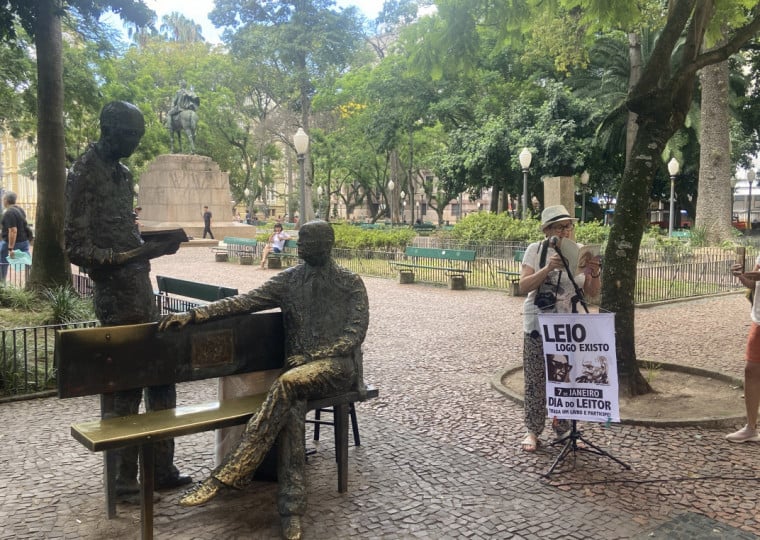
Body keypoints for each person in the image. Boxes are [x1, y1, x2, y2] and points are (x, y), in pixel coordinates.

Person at [159, 220, 369, 540]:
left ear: (327, 244)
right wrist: (194, 315)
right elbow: (243, 302)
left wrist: (314, 357)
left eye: (308, 242)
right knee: (292, 405)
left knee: (288, 384)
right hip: (296, 378)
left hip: (338, 369)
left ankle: (232, 470)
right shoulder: (290, 281)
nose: (301, 246)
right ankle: (291, 510)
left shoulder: (350, 283)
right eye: (301, 241)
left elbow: (354, 335)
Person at [64, 101, 191, 499]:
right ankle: (124, 480)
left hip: (141, 288)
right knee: (125, 387)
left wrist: (151, 246)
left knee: (162, 379)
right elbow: (76, 248)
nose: (135, 144)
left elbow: (123, 231)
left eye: (138, 136)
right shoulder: (85, 172)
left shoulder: (121, 173)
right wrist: (135, 255)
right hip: (115, 296)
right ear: (108, 128)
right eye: (129, 136)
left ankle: (161, 466)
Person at [518, 205, 601, 452]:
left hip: (567, 327)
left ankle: (563, 428)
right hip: (538, 324)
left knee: (565, 377)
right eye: (559, 227)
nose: (565, 231)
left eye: (568, 226)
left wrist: (594, 272)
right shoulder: (536, 250)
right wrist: (548, 268)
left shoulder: (579, 253)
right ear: (547, 231)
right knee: (536, 378)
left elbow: (593, 292)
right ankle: (532, 430)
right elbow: (524, 286)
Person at [727, 258, 760, 442]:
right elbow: (753, 284)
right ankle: (751, 428)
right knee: (751, 371)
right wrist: (741, 275)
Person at [1, 191, 32, 281]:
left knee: (2, 261)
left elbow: (13, 231)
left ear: (6, 200)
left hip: (12, 242)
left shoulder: (9, 213)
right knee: (27, 261)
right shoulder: (20, 209)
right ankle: (30, 280)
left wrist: (10, 249)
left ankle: (2, 282)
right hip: (24, 241)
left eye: (3, 199)